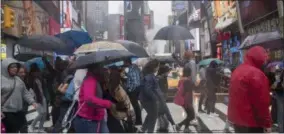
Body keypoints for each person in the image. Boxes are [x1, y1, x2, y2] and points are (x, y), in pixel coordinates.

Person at [228, 46, 272, 133]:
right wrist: (267, 124)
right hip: (252, 122)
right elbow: (261, 102)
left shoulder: (238, 70)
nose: (265, 61)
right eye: (264, 57)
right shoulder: (257, 74)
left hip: (237, 120)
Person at [73, 64, 116, 133]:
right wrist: (109, 104)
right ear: (95, 69)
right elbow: (89, 99)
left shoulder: (93, 79)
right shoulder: (90, 80)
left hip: (89, 118)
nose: (103, 69)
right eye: (101, 67)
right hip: (88, 120)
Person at [1, 58, 37, 133]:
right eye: (12, 67)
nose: (15, 69)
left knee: (17, 129)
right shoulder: (1, 80)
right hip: (5, 112)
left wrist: (32, 102)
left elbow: (25, 92)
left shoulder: (18, 79)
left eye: (16, 66)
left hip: (18, 111)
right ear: (5, 67)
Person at [139, 59, 161, 133]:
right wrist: (155, 98)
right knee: (153, 117)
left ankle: (143, 130)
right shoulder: (149, 76)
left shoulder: (149, 75)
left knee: (151, 115)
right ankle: (149, 131)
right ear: (154, 67)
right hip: (148, 100)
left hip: (146, 99)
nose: (158, 68)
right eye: (158, 66)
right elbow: (147, 89)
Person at [174, 67, 197, 132]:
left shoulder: (182, 79)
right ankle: (179, 125)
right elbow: (193, 88)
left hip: (182, 100)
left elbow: (179, 87)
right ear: (190, 72)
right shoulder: (188, 80)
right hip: (186, 101)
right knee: (192, 116)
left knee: (189, 115)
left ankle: (185, 128)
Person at [26, 63, 47, 132]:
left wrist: (42, 79)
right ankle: (31, 126)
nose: (36, 73)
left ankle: (40, 128)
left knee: (44, 113)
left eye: (37, 71)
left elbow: (42, 87)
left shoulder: (39, 78)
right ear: (32, 72)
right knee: (41, 113)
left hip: (43, 97)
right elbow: (29, 90)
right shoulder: (30, 79)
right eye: (35, 72)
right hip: (36, 99)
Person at [123, 58, 142, 125]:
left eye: (124, 62)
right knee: (136, 105)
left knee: (135, 106)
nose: (123, 64)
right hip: (137, 89)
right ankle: (138, 121)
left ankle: (138, 121)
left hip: (134, 90)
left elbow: (135, 82)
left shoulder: (131, 69)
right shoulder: (135, 68)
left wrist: (129, 90)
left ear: (127, 62)